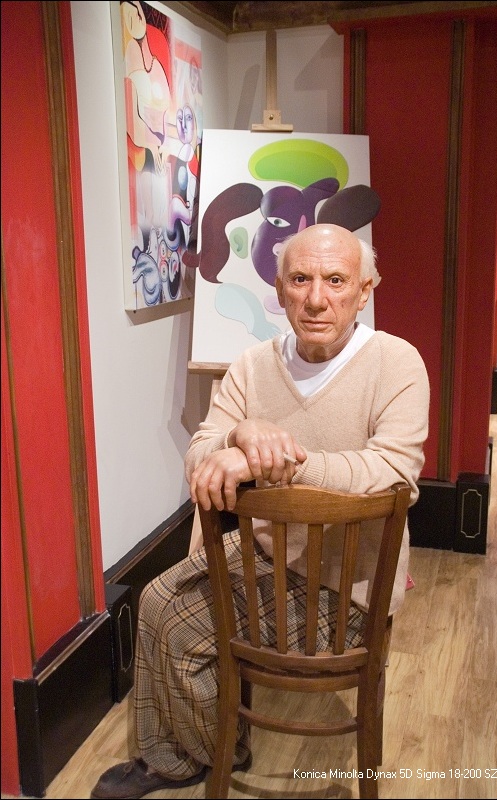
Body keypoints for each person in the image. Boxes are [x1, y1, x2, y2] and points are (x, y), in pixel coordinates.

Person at [90, 224, 430, 798]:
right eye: (300, 279)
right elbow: (202, 453)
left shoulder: (397, 364)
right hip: (261, 556)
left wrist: (275, 462)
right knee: (155, 599)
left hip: (348, 587)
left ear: (364, 291)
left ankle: (195, 751)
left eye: (336, 280)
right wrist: (239, 435)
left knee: (174, 621)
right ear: (278, 288)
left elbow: (394, 472)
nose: (316, 299)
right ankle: (198, 748)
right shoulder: (251, 364)